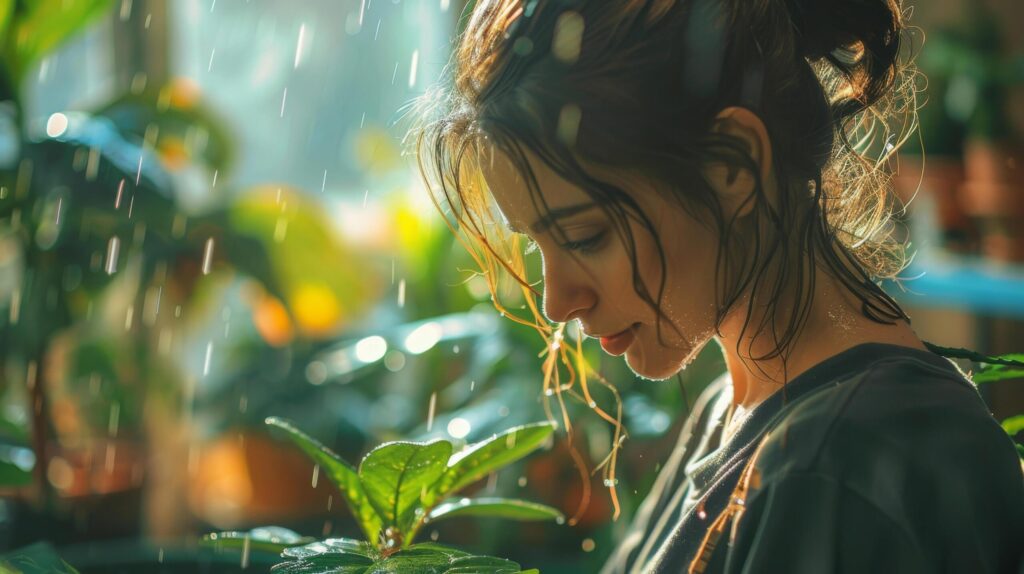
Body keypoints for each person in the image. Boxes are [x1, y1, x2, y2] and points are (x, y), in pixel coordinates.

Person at [407, 0, 1024, 571]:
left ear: (732, 166)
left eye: (587, 235)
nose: (557, 299)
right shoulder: (744, 409)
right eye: (536, 245)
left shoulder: (833, 470)